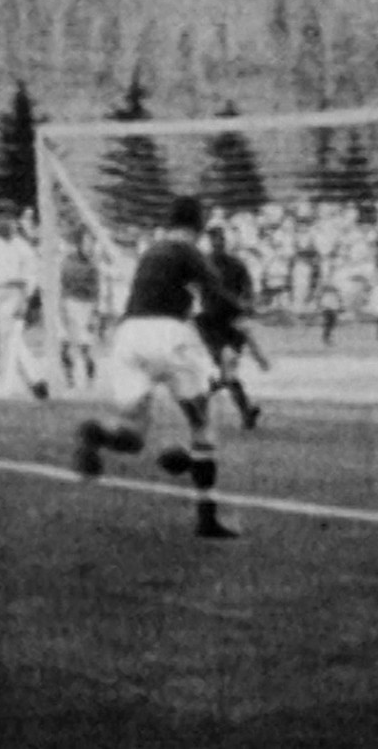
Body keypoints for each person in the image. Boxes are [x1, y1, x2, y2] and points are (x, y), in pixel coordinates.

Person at [73, 196, 244, 539]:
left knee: (133, 436)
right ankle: (206, 515)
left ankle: (97, 434)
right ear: (198, 225)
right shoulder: (189, 251)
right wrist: (244, 312)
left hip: (128, 336)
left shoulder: (152, 251)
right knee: (203, 423)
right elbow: (217, 296)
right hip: (168, 334)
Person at [195, 224, 270, 430]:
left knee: (227, 370)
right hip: (211, 323)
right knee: (227, 365)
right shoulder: (202, 265)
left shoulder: (236, 265)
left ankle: (206, 397)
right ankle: (245, 411)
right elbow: (196, 290)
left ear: (225, 241)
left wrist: (247, 305)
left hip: (232, 323)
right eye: (213, 239)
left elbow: (248, 289)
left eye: (220, 239)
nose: (217, 243)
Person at [0, 219, 48, 400]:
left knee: (8, 341)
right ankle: (37, 380)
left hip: (15, 292)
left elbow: (31, 278)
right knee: (10, 341)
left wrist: (24, 301)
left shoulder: (23, 249)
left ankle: (6, 387)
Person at [59, 230, 99, 389]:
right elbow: (61, 284)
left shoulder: (92, 265)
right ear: (79, 244)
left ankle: (90, 381)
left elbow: (96, 291)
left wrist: (93, 314)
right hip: (69, 303)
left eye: (92, 243)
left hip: (86, 306)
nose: (90, 247)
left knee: (85, 346)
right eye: (87, 243)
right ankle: (69, 379)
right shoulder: (67, 262)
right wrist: (61, 306)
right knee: (64, 344)